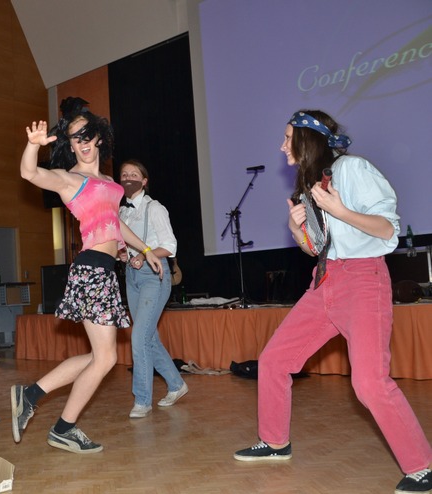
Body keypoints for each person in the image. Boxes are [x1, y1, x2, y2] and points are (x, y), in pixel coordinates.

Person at [233, 110, 432, 493]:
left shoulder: (353, 168)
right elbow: (317, 248)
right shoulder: (312, 183)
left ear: (307, 139)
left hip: (363, 280)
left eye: (287, 137)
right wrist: (296, 230)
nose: (282, 146)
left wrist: (341, 211)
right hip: (325, 280)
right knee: (274, 360)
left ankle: (422, 466)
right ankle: (275, 441)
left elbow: (388, 230)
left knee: (369, 383)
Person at [11, 97, 162, 454]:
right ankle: (58, 423)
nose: (82, 142)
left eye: (87, 135)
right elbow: (30, 174)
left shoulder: (109, 182)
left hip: (105, 272)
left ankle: (33, 398)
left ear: (98, 138)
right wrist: (33, 147)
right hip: (91, 269)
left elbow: (115, 225)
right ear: (70, 145)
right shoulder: (70, 179)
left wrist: (144, 250)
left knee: (100, 356)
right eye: (75, 138)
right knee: (106, 358)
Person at [118, 159, 187, 418]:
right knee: (148, 337)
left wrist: (143, 255)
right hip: (131, 277)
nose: (128, 178)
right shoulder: (122, 212)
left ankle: (142, 400)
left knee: (139, 337)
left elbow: (170, 246)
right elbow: (124, 244)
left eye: (134, 174)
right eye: (124, 174)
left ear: (144, 181)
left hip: (154, 276)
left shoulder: (155, 208)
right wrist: (123, 255)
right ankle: (176, 384)